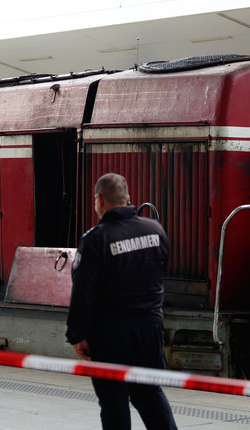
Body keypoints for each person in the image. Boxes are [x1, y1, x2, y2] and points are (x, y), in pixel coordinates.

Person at [66, 173, 178, 430]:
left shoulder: (95, 239)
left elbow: (82, 292)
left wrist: (77, 335)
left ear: (99, 200)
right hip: (150, 329)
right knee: (149, 393)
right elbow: (159, 272)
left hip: (111, 333)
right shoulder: (155, 230)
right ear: (128, 199)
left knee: (114, 400)